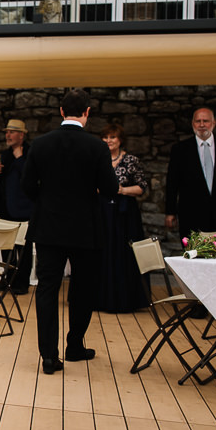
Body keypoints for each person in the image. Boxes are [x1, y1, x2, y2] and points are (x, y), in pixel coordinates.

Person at [22, 89, 118, 375]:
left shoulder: (40, 144)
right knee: (82, 288)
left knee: (48, 289)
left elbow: (27, 187)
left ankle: (49, 356)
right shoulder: (97, 147)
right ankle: (74, 345)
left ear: (61, 112)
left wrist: (48, 200)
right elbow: (111, 189)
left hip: (48, 227)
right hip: (85, 229)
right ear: (87, 113)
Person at [165, 107, 216, 241]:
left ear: (213, 123)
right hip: (192, 213)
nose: (201, 125)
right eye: (197, 121)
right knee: (195, 256)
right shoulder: (180, 150)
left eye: (205, 121)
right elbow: (172, 182)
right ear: (192, 123)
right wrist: (170, 212)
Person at [96, 123, 149, 312]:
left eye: (113, 137)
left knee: (123, 254)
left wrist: (122, 190)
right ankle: (100, 298)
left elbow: (142, 187)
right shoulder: (98, 159)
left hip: (124, 213)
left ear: (120, 140)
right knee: (102, 253)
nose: (109, 141)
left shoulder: (131, 160)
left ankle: (125, 299)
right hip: (102, 212)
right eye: (106, 137)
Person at [0, 119, 34, 295]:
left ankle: (22, 283)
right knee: (5, 246)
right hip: (5, 206)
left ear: (21, 135)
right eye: (7, 132)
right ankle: (6, 279)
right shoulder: (5, 154)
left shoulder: (30, 153)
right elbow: (4, 180)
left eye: (12, 132)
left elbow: (31, 178)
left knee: (23, 248)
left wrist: (20, 159)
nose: (8, 135)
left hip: (24, 208)